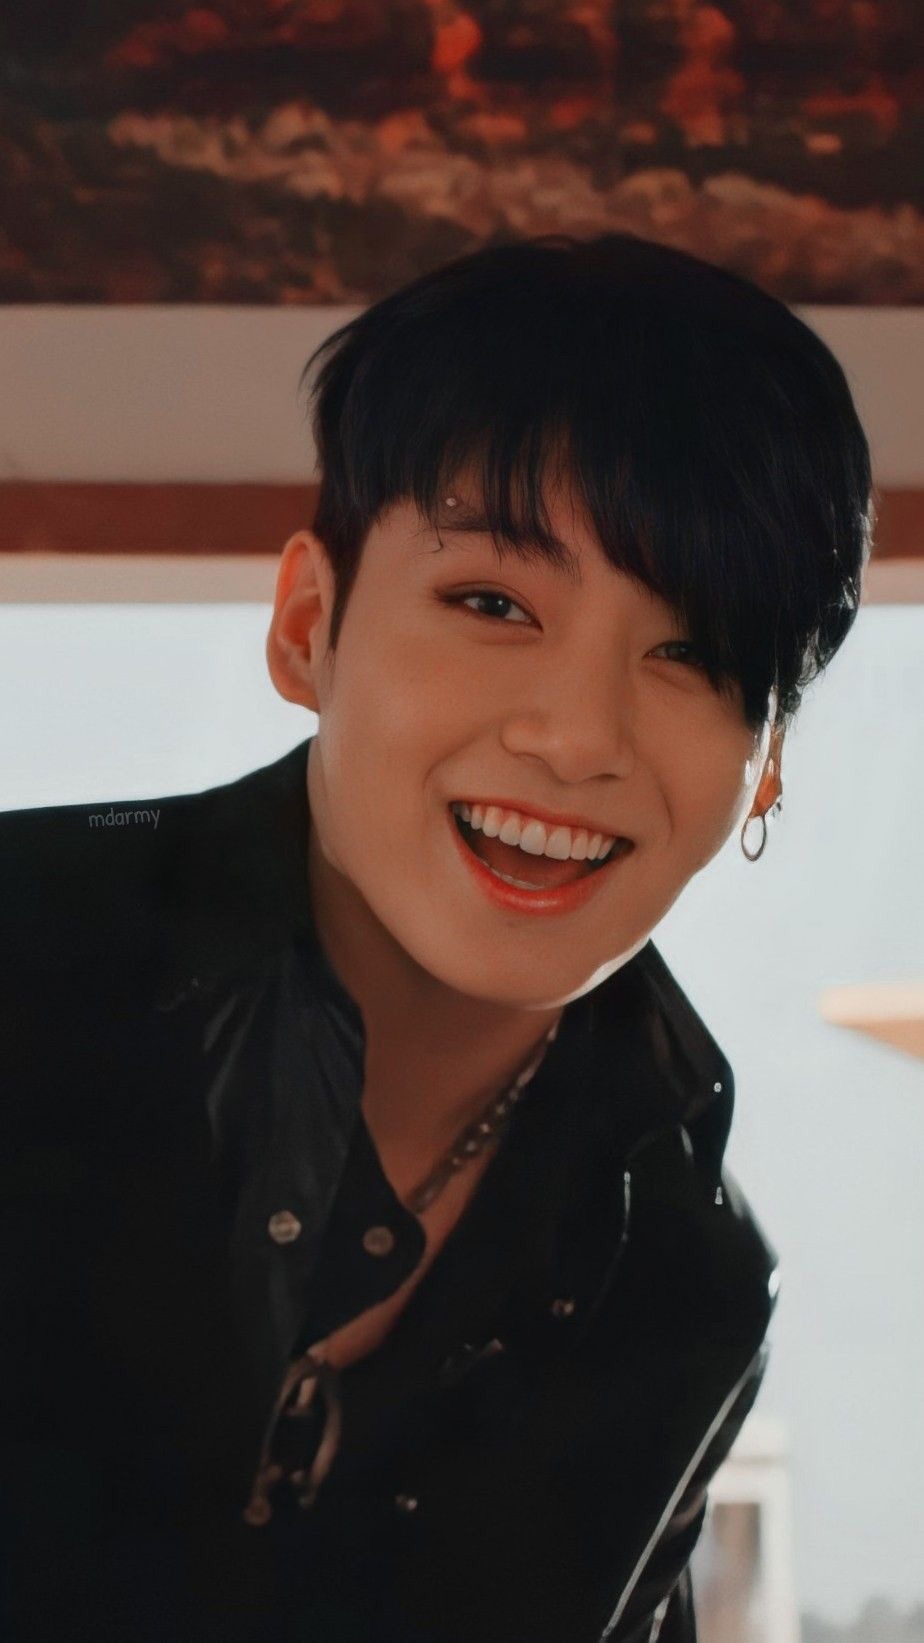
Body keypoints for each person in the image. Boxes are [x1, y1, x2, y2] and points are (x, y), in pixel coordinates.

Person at [0, 232, 873, 1643]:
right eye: (492, 604)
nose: (577, 737)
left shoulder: (690, 1281)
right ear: (310, 626)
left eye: (695, 654)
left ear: (763, 765)